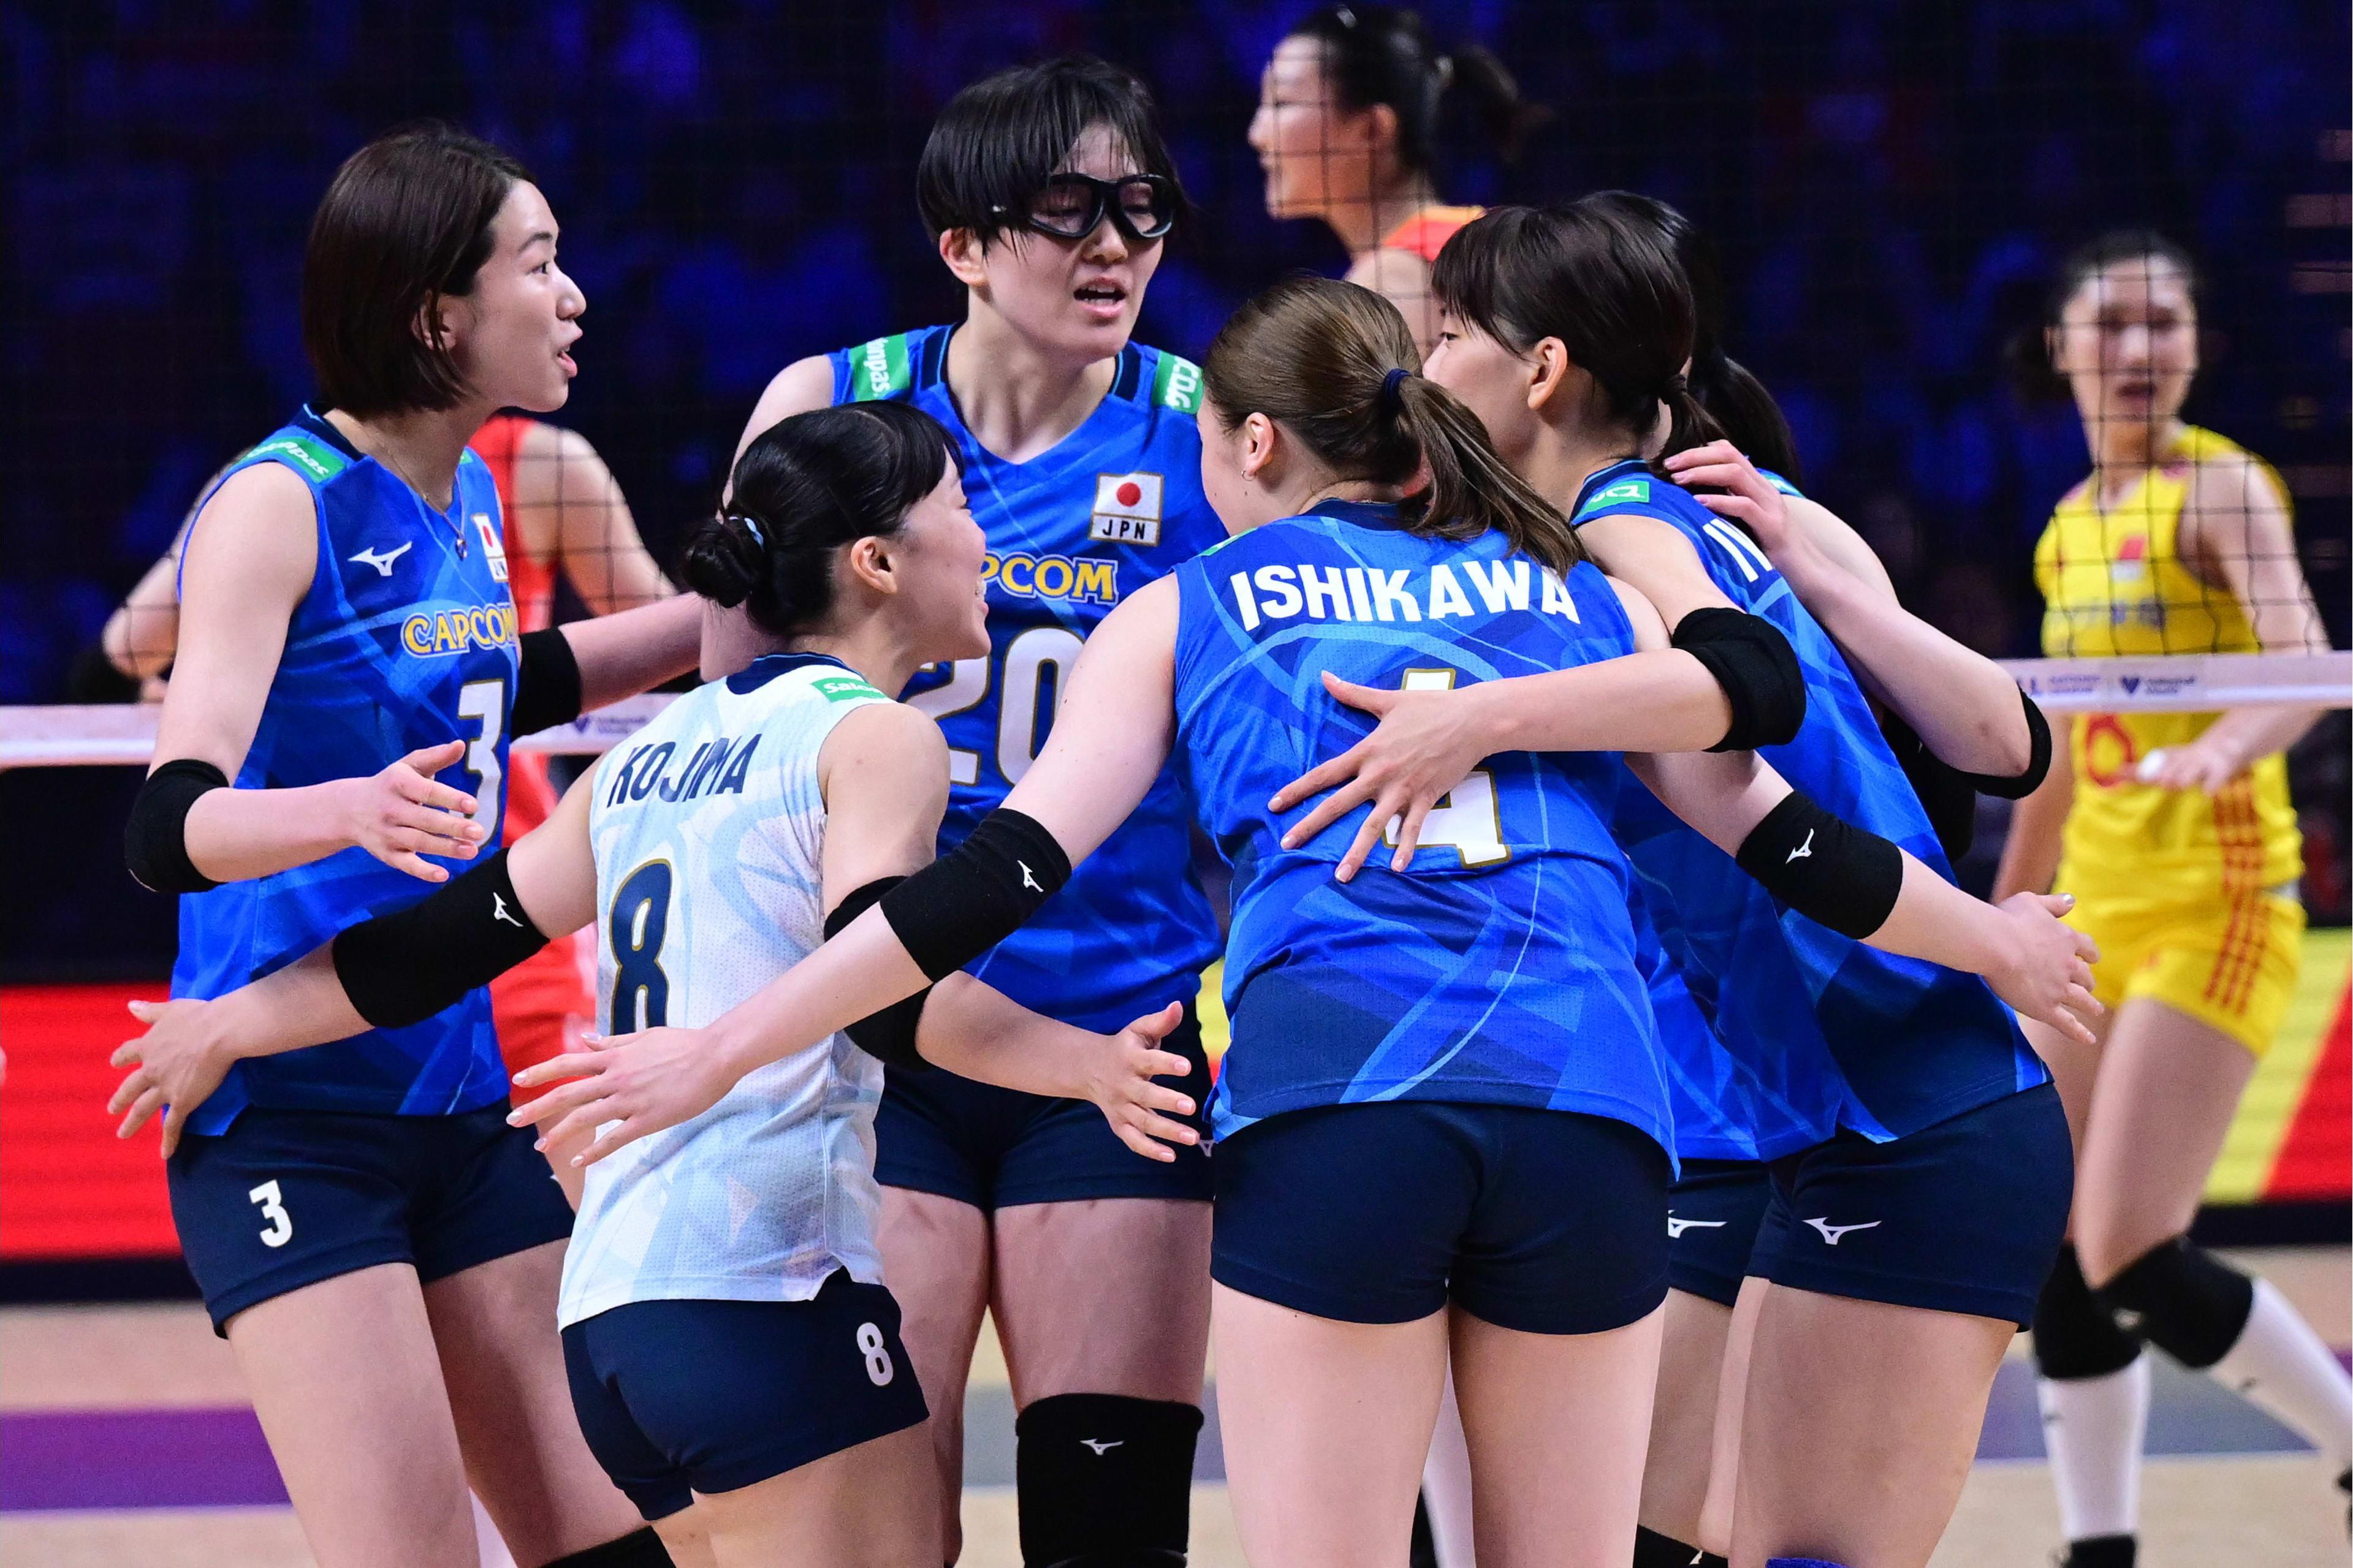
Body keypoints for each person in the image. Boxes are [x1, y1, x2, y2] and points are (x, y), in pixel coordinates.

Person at [507, 276, 2100, 1568]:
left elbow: (996, 878)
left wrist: (720, 1042)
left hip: (1342, 1101)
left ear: (1253, 443)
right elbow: (1781, 829)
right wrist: (1991, 939)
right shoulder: (1568, 588)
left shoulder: (1183, 606)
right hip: (1587, 1109)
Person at [112, 403, 1202, 1568]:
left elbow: (429, 948)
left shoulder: (641, 758)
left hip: (613, 1320)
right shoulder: (878, 739)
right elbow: (885, 987)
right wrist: (1085, 1064)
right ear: (876, 563)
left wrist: (231, 1021)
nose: (987, 538)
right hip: (767, 1286)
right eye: (959, 507)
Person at [1275, 201, 2085, 1568]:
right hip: (1820, 1120)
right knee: (1705, 1532)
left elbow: (1765, 812)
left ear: (1541, 371)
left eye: (1452, 334)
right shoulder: (1634, 534)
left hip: (1915, 1111)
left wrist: (1990, 946)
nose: (1425, 366)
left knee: (1791, 1548)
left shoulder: (1622, 532)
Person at [113, 124, 703, 1568]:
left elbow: (511, 682)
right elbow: (165, 825)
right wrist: (346, 808)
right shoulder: (277, 502)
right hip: (286, 1115)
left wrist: (725, 618)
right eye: (538, 264)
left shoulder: (472, 492)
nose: (572, 296)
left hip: (456, 1093)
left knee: (609, 1540)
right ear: (439, 314)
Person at [728, 58, 1223, 1566]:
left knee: (1106, 1527)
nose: (1115, 245)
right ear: (963, 244)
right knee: (882, 1530)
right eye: (1069, 209)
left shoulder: (1212, 431)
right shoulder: (829, 407)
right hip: (874, 1040)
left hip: (1118, 1031)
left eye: (1141, 208)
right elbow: (739, 717)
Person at [1993, 230, 2349, 1568]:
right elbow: (2048, 756)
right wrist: (1995, 924)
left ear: (2195, 347)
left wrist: (2221, 744)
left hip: (2217, 894)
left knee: (2128, 1244)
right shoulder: (2065, 529)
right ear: (2061, 347)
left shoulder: (2220, 488)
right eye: (2112, 325)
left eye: (2163, 324)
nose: (2138, 349)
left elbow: (2304, 660)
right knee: (2055, 1249)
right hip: (2094, 910)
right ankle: (2099, 1548)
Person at [97, 414, 674, 1204]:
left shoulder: (497, 470)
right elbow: (666, 626)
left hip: (497, 884)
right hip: (405, 883)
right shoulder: (289, 490)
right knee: (551, 1197)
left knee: (556, 1214)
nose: (569, 332)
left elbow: (126, 647)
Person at [1249, 4, 1546, 353]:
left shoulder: (1390, 280)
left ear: (1373, 129)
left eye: (1281, 103)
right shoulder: (1478, 237)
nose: (1257, 135)